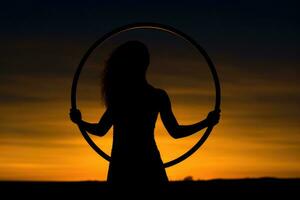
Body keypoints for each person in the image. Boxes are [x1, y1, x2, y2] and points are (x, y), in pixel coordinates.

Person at [70, 41, 220, 189]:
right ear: (146, 63)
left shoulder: (121, 96)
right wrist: (206, 123)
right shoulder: (156, 96)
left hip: (122, 165)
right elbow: (176, 132)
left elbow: (100, 130)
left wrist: (80, 122)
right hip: (148, 162)